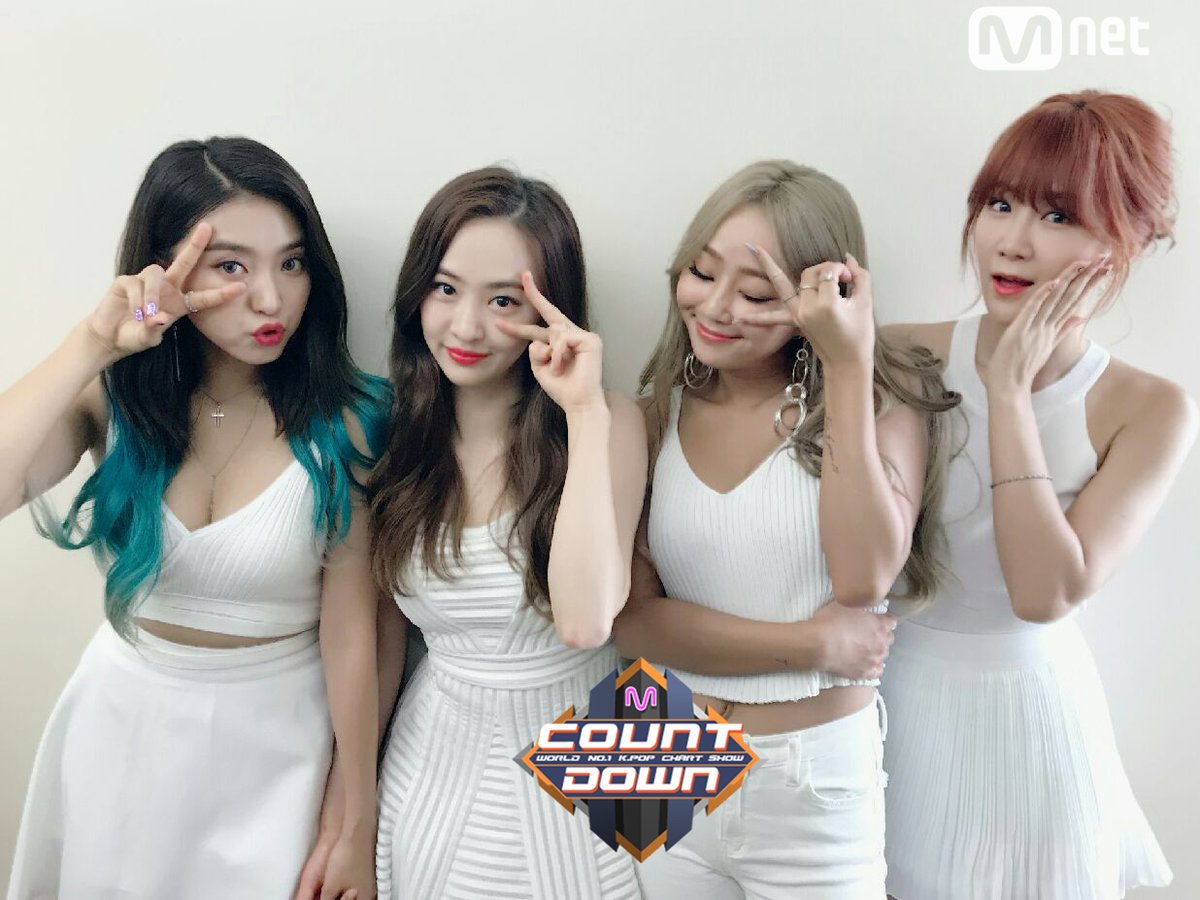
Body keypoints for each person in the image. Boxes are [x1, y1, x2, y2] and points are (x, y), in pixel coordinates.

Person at [2, 137, 390, 900]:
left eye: (292, 262)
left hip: (279, 743)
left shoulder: (349, 420)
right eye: (232, 267)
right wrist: (93, 344)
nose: (271, 299)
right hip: (121, 728)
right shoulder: (115, 401)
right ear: (164, 268)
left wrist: (354, 821)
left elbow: (356, 637)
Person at [613, 159, 958, 899]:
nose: (717, 307)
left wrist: (847, 361)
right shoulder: (653, 413)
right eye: (702, 272)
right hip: (658, 746)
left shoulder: (886, 395)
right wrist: (810, 645)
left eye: (757, 292)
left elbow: (863, 578)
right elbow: (633, 625)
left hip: (811, 765)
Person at [879, 90, 1194, 899]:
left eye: (1057, 216)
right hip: (889, 697)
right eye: (1000, 203)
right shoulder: (900, 357)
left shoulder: (1151, 408)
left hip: (1030, 721)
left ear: (1125, 243)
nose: (1012, 241)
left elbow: (1043, 593)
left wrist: (1010, 393)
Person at [368, 167, 647, 899]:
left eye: (503, 301)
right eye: (445, 288)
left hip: (600, 752)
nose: (465, 327)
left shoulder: (610, 417)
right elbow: (377, 642)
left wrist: (582, 412)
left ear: (551, 309)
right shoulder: (396, 433)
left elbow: (587, 623)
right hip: (432, 759)